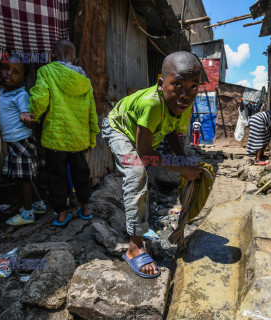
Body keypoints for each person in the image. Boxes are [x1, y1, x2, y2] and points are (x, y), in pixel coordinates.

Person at [102, 51, 202, 278]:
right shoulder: (152, 104)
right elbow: (145, 154)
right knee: (137, 172)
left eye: (193, 87)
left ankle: (139, 221)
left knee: (151, 170)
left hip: (142, 134)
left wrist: (182, 162)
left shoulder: (183, 104)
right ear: (160, 83)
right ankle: (134, 246)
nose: (186, 94)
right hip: (119, 128)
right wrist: (182, 168)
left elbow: (173, 133)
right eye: (177, 84)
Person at [26, 39, 99, 226]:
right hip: (78, 138)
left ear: (53, 56)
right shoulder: (85, 81)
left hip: (55, 138)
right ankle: (85, 208)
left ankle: (61, 213)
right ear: (75, 59)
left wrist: (32, 115)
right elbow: (92, 111)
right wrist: (91, 138)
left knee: (56, 176)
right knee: (81, 174)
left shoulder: (46, 72)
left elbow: (40, 99)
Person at [0, 55, 46, 226]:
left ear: (23, 77)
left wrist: (26, 116)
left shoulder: (21, 95)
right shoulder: (3, 93)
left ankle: (28, 214)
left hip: (21, 141)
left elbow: (26, 112)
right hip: (13, 141)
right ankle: (39, 204)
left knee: (24, 179)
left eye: (15, 71)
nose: (8, 74)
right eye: (5, 68)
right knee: (26, 177)